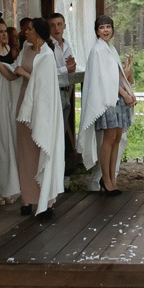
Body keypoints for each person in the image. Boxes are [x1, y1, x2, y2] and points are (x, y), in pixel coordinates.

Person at [0, 16, 64, 218]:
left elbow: (47, 85)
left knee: (40, 151)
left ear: (37, 32)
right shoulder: (25, 50)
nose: (25, 32)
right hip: (24, 106)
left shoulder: (47, 54)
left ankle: (45, 200)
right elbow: (12, 74)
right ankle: (27, 199)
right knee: (25, 154)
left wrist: (25, 73)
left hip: (42, 108)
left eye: (29, 29)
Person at [77, 15, 135, 195]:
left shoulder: (110, 49)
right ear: (97, 31)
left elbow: (118, 74)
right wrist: (124, 94)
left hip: (119, 98)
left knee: (117, 139)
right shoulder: (97, 50)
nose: (106, 30)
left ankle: (112, 178)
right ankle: (106, 179)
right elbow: (103, 79)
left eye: (108, 27)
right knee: (109, 140)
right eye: (102, 27)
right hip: (108, 100)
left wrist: (130, 94)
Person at [0, 22, 23, 204]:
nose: (4, 35)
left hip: (9, 99)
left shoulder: (8, 49)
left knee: (10, 141)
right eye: (0, 32)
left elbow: (12, 74)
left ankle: (10, 187)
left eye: (5, 32)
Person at [48, 12, 79, 173]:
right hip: (53, 92)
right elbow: (48, 71)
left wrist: (71, 68)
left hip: (65, 91)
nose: (56, 28)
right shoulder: (48, 45)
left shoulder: (66, 45)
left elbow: (69, 70)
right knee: (55, 134)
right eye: (52, 25)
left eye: (59, 24)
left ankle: (62, 172)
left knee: (63, 132)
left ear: (65, 26)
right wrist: (65, 69)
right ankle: (55, 173)